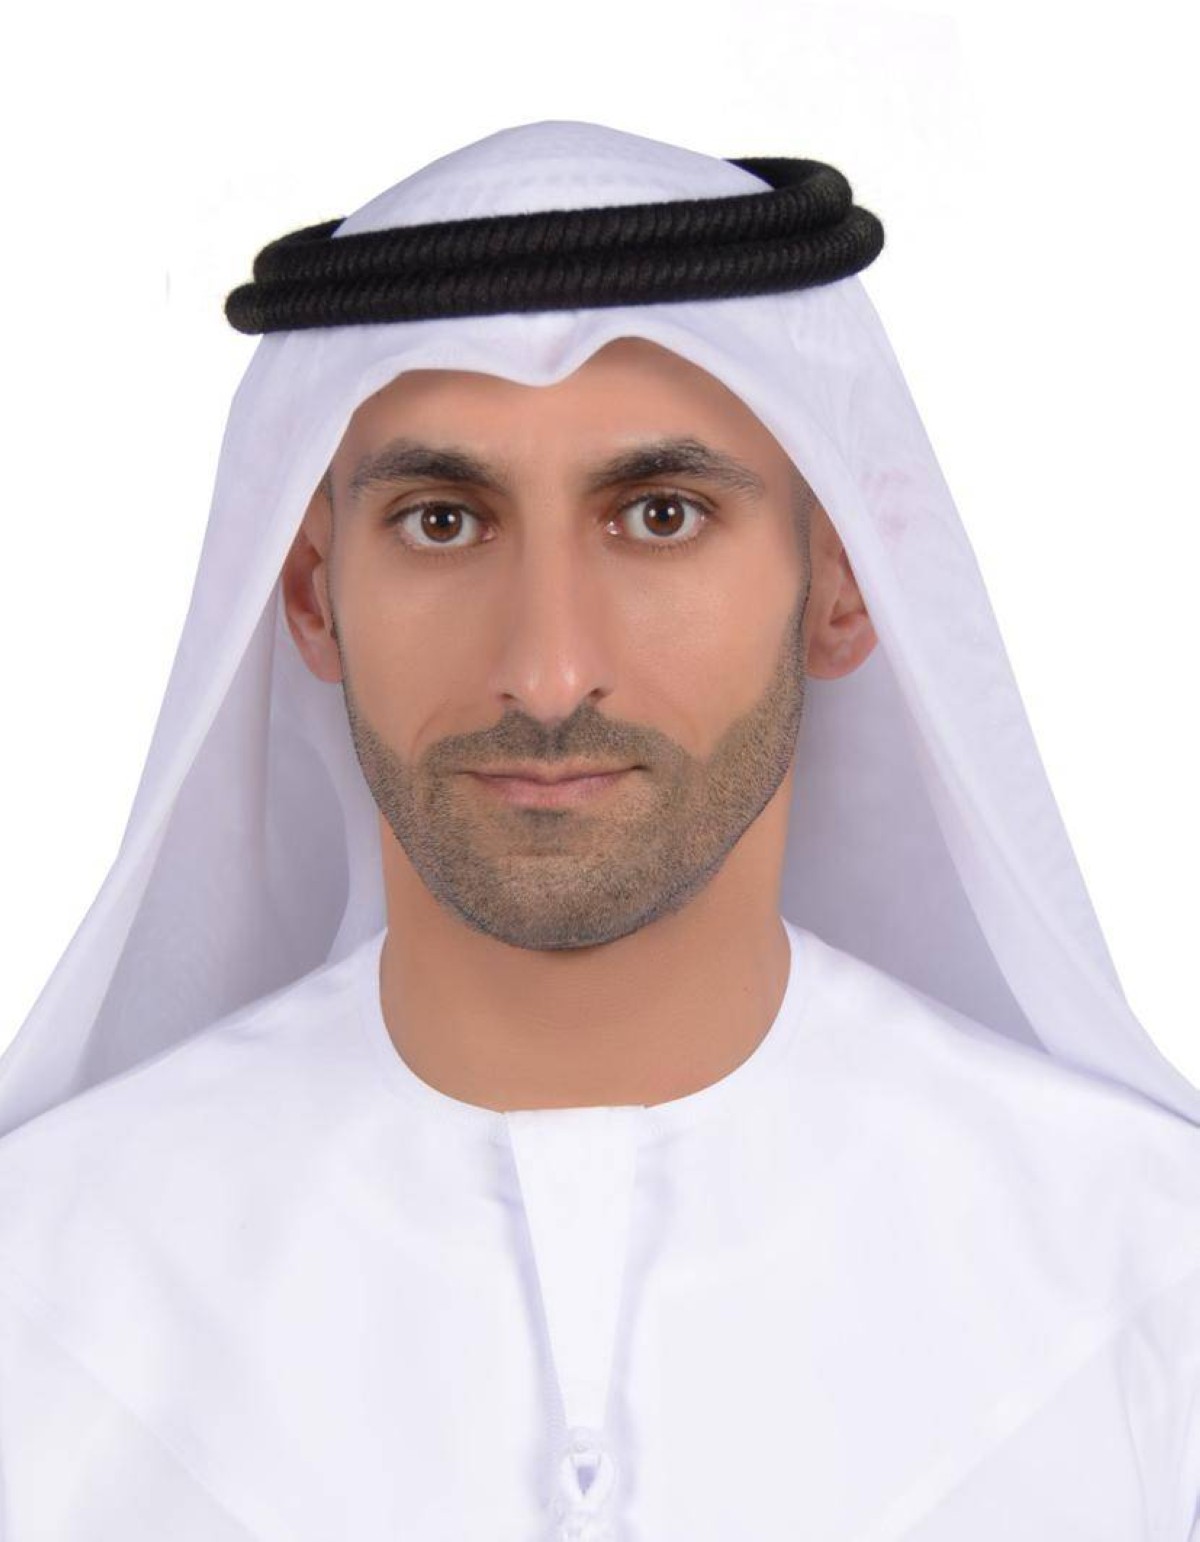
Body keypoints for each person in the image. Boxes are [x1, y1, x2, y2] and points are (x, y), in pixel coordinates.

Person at [1, 119, 1197, 1541]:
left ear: (845, 581)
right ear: (313, 596)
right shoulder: (48, 1292)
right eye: (443, 523)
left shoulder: (1144, 1281)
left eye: (661, 515)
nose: (550, 673)